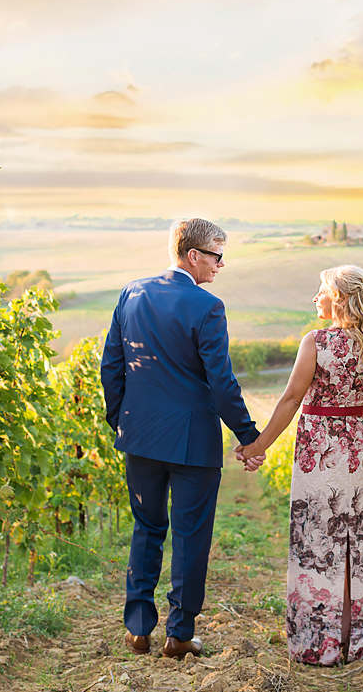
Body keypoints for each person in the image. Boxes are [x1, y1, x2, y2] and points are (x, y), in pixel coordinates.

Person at [101, 218, 264, 659]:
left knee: (146, 527)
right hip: (194, 444)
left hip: (140, 438)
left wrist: (123, 422)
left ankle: (138, 627)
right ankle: (179, 633)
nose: (220, 264)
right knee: (191, 536)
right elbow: (222, 383)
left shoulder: (131, 293)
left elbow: (112, 366)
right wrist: (251, 438)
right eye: (216, 255)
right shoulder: (207, 307)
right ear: (193, 255)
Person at [238, 265, 363, 665]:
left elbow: (290, 399)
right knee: (356, 542)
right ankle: (351, 640)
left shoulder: (316, 342)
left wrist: (257, 446)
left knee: (319, 540)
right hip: (361, 450)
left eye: (321, 291)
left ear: (338, 299)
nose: (315, 298)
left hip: (320, 451)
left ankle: (317, 641)